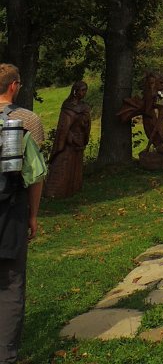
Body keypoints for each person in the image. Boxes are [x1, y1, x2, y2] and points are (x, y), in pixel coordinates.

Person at [0, 64, 47, 364]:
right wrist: (33, 215)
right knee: (11, 284)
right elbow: (36, 175)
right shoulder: (27, 121)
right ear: (14, 86)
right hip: (11, 214)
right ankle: (5, 356)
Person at [44, 81, 91, 199]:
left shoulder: (85, 107)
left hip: (80, 139)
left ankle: (74, 189)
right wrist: (71, 138)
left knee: (76, 166)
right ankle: (57, 191)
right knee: (63, 164)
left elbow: (87, 124)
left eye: (85, 90)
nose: (84, 93)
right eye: (82, 90)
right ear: (75, 91)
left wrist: (84, 127)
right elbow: (64, 127)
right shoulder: (68, 106)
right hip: (68, 142)